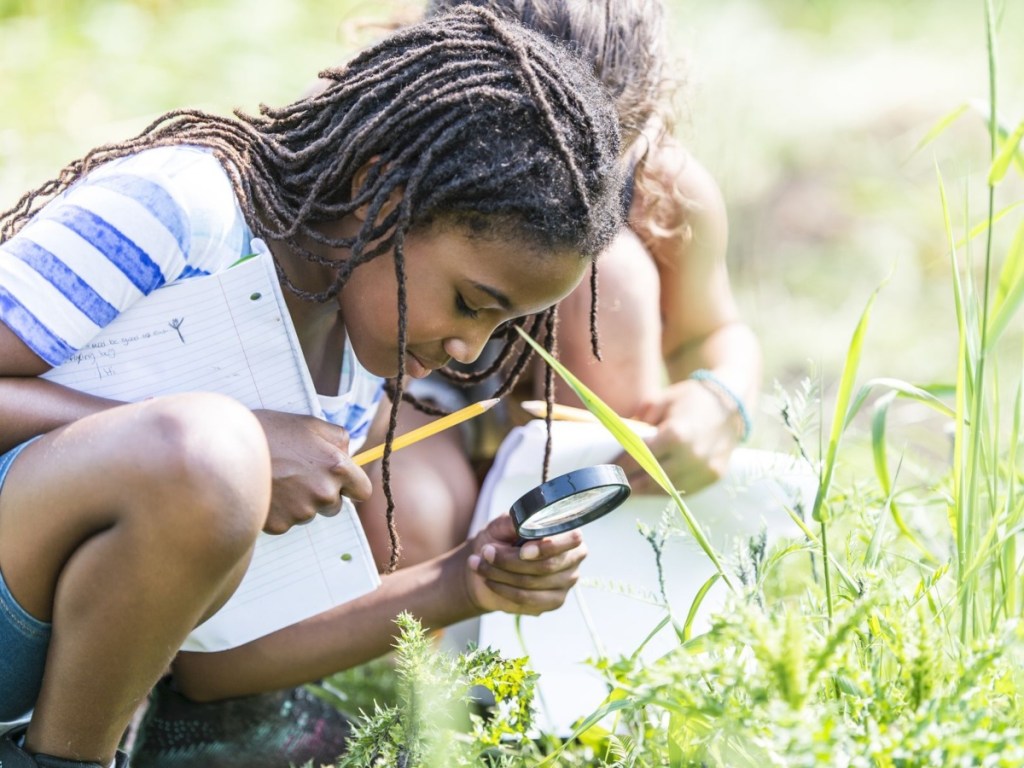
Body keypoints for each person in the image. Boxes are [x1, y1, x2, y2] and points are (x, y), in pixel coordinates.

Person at [0, 7, 626, 768]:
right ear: (381, 191)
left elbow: (209, 663)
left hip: (36, 682)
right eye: (470, 302)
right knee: (211, 451)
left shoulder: (353, 365)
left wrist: (466, 580)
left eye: (503, 328)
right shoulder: (185, 208)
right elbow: (205, 451)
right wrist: (235, 444)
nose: (469, 347)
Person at [358, 0, 763, 571]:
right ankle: (434, 636)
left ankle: (595, 584)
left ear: (638, 126)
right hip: (411, 390)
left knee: (612, 277)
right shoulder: (381, 136)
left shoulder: (662, 188)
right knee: (409, 517)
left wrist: (721, 399)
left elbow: (713, 330)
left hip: (565, 410)